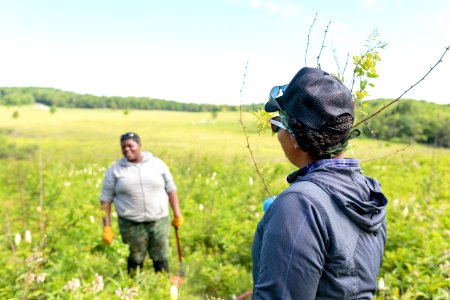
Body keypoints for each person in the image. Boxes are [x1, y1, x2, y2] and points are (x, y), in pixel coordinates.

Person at [252, 67, 388, 299]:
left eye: (277, 125)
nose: (276, 134)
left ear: (294, 136)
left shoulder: (298, 205)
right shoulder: (367, 191)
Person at [100, 132, 184, 274]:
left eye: (130, 146)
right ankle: (134, 291)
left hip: (159, 221)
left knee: (161, 257)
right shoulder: (114, 170)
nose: (127, 149)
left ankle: (162, 288)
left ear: (139, 145)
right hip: (131, 224)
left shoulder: (158, 164)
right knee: (134, 259)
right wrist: (106, 227)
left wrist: (177, 214)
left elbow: (171, 189)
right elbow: (105, 200)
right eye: (123, 147)